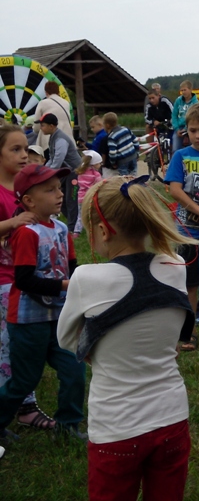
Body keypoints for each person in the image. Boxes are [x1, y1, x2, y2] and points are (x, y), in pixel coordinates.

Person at [57, 176, 196, 501]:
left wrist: (98, 348)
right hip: (172, 416)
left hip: (116, 425)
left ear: (103, 231)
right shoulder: (175, 265)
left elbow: (67, 340)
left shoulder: (86, 278)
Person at [0, 164, 84, 442]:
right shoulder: (27, 232)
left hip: (59, 317)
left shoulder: (61, 228)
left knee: (74, 370)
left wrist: (81, 282)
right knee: (25, 380)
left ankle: (67, 427)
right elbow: (24, 280)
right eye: (50, 190)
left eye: (59, 188)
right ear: (29, 201)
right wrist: (65, 286)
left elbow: (72, 268)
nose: (59, 194)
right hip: (27, 321)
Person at [0, 126, 55, 437]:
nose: (24, 155)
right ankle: (14, 409)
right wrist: (13, 222)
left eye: (26, 148)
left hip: (30, 279)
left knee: (26, 346)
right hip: (4, 280)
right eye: (15, 149)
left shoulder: (25, 190)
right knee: (8, 347)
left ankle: (25, 405)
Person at [164, 103, 199, 353]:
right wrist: (198, 211)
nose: (197, 136)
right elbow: (175, 189)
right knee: (190, 284)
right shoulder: (181, 156)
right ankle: (189, 332)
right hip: (188, 232)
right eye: (192, 130)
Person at [38, 113, 82, 233]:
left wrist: (48, 174)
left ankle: (72, 229)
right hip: (65, 172)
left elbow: (58, 159)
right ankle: (72, 223)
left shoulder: (60, 139)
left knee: (71, 199)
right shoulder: (53, 137)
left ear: (51, 126)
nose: (41, 128)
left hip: (74, 172)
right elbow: (52, 158)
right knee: (61, 199)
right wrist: (43, 170)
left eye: (43, 125)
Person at [33, 81, 74, 149]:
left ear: (46, 92)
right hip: (67, 139)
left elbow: (36, 127)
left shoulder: (43, 103)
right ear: (58, 92)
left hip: (49, 139)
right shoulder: (66, 103)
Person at [73, 150, 103, 236]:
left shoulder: (81, 172)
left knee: (80, 215)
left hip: (81, 198)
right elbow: (99, 185)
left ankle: (76, 231)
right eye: (99, 163)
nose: (100, 165)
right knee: (93, 214)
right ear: (94, 164)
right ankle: (92, 230)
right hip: (91, 197)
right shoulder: (96, 174)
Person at [171, 81, 199, 152]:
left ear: (190, 89)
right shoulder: (178, 101)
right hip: (179, 127)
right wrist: (177, 129)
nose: (183, 92)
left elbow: (195, 117)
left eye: (185, 90)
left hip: (191, 126)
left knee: (193, 147)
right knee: (175, 148)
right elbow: (174, 115)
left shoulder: (195, 102)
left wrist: (186, 128)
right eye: (182, 90)